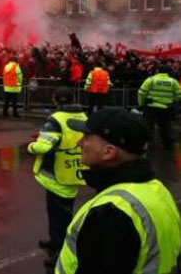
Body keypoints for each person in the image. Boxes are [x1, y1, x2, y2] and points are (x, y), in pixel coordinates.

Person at [57, 108, 181, 273]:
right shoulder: (156, 189)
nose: (79, 143)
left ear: (108, 152)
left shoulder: (111, 214)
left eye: (86, 137)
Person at [26, 87, 87, 269]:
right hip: (73, 171)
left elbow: (44, 146)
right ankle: (55, 242)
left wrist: (31, 147)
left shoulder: (55, 120)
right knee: (60, 215)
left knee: (60, 217)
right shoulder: (83, 117)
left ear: (55, 99)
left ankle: (61, 251)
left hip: (57, 174)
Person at [137, 64, 181, 149]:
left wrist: (141, 104)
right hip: (166, 108)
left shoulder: (151, 80)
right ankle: (167, 144)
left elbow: (141, 92)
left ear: (158, 71)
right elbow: (179, 95)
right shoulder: (173, 82)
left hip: (150, 107)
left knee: (148, 125)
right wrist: (173, 101)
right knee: (165, 127)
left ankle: (144, 144)